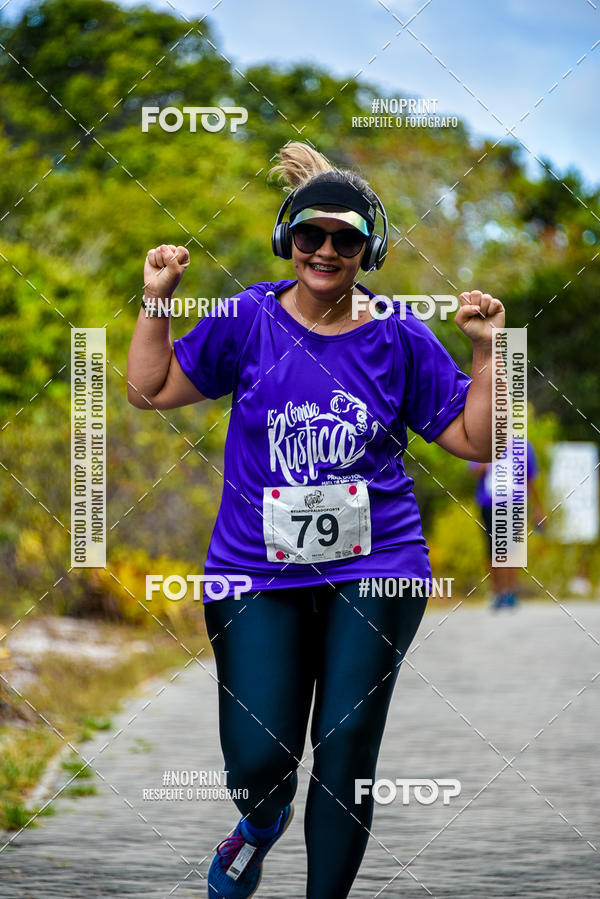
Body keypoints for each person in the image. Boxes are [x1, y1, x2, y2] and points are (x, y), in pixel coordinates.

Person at [126, 141, 503, 899]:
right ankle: (258, 826)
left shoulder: (398, 335)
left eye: (346, 238)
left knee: (344, 748)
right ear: (286, 239)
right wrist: (159, 298)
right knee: (259, 758)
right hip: (253, 569)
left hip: (377, 564)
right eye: (311, 235)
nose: (326, 250)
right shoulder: (246, 319)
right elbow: (150, 387)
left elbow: (475, 439)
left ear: (371, 249)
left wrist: (491, 354)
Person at [470, 439, 544, 609]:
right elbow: (475, 470)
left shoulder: (524, 446)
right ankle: (497, 592)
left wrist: (538, 508)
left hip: (516, 502)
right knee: (492, 549)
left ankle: (510, 592)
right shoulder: (483, 442)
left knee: (512, 548)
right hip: (489, 503)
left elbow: (530, 479)